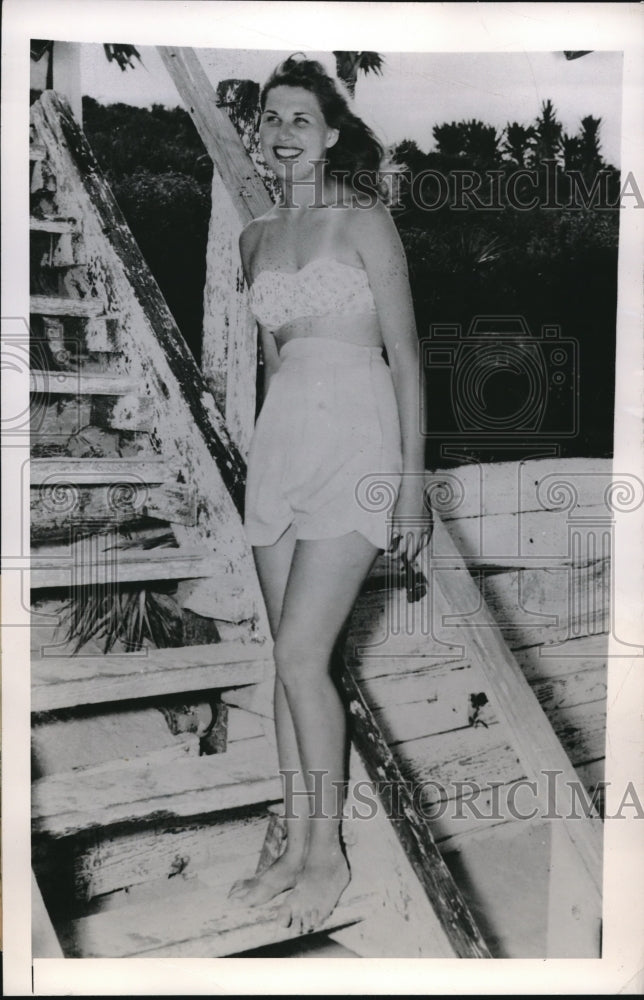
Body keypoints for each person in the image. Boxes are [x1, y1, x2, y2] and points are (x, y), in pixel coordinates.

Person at [228, 55, 430, 935]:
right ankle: (294, 839)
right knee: (287, 661)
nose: (282, 132)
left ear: (332, 134)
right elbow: (277, 363)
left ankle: (329, 856)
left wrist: (411, 483)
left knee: (305, 657)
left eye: (300, 118)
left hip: (358, 438)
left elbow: (409, 358)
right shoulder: (254, 236)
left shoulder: (366, 221)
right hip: (283, 446)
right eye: (271, 118)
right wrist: (267, 453)